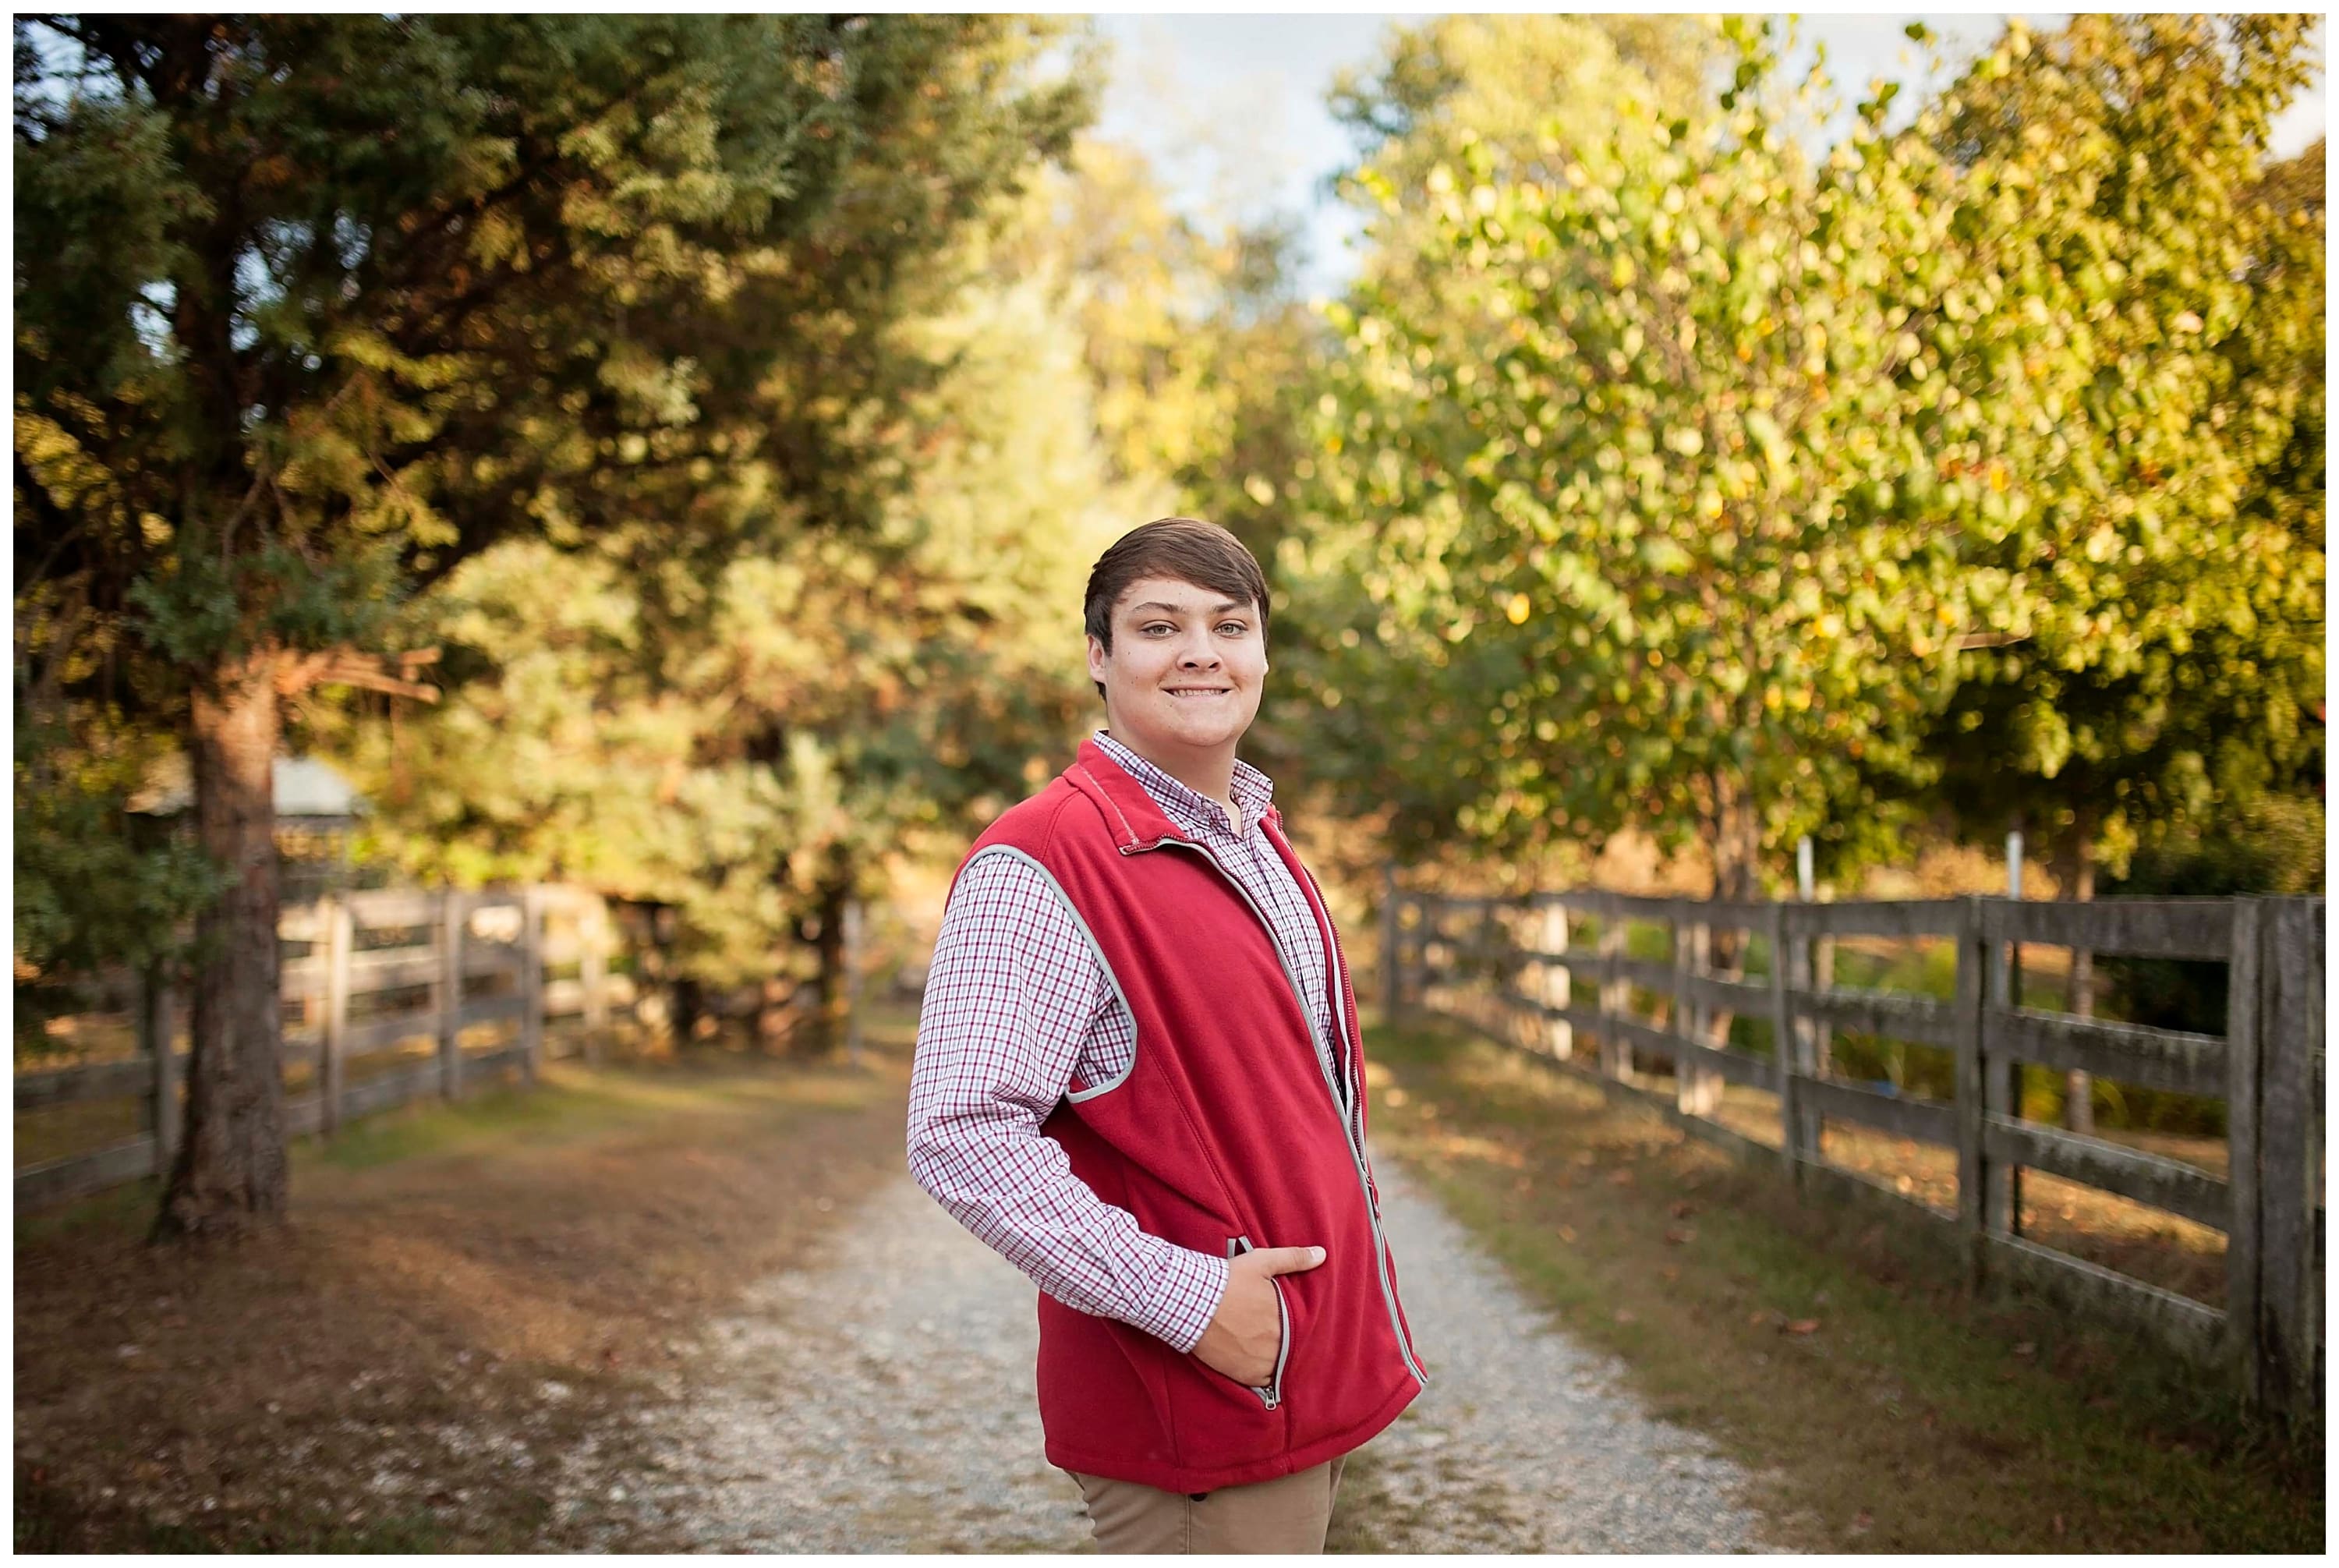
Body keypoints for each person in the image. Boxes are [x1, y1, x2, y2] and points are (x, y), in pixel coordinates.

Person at [907, 516, 1428, 1553]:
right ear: (1100, 658)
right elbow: (962, 1134)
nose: (1200, 650)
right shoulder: (1045, 857)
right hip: (1197, 1398)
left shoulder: (1251, 838)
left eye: (1228, 625)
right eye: (1159, 626)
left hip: (1285, 1389)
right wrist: (1197, 1306)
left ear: (1262, 655)